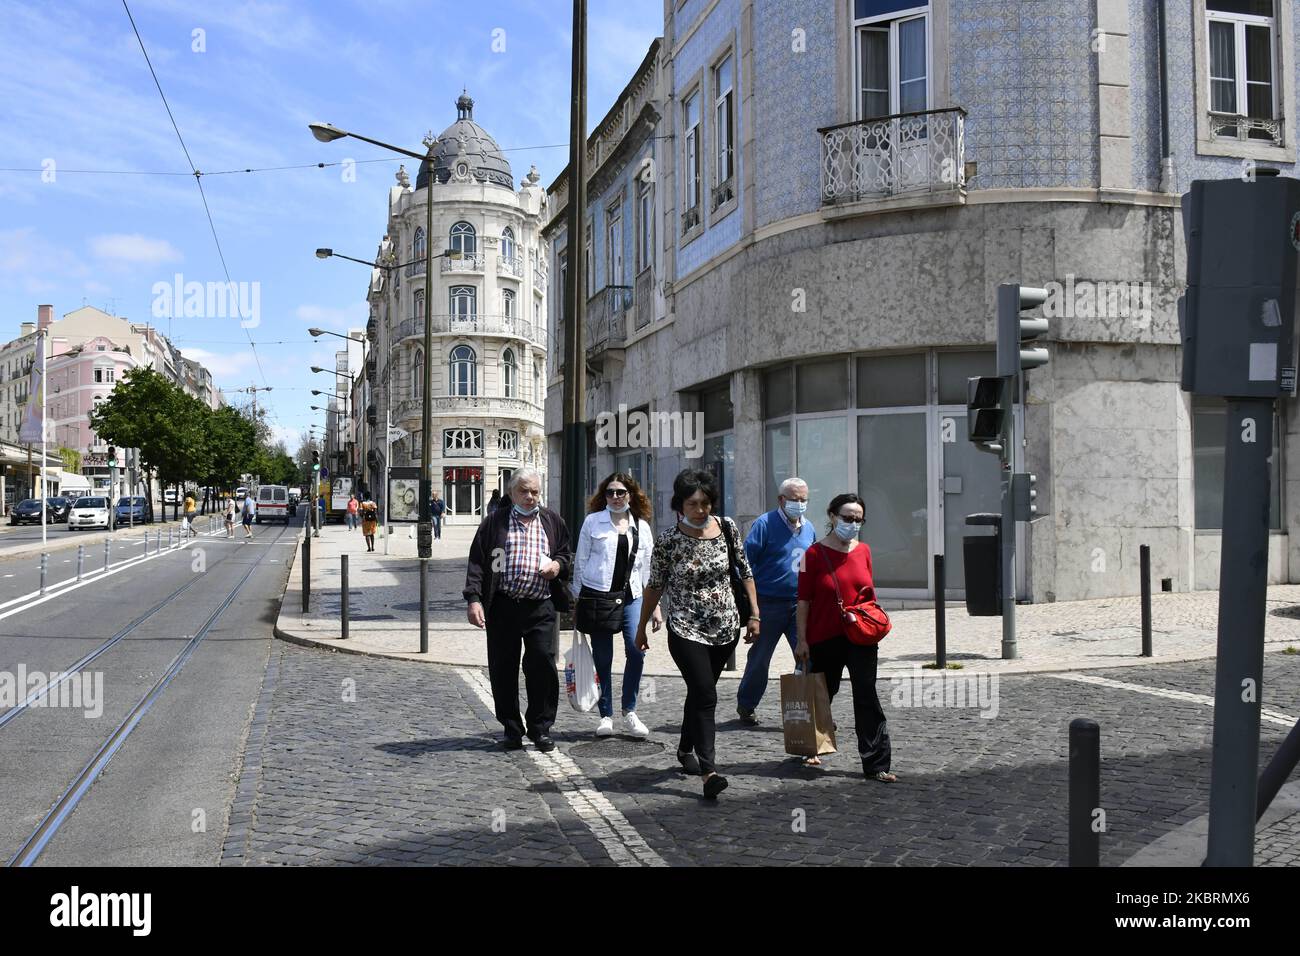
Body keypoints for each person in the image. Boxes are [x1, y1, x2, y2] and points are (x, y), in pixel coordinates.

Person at [636, 469, 758, 800]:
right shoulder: (668, 541)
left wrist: (755, 615)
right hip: (685, 626)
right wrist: (641, 627)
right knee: (705, 694)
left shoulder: (728, 527)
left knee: (700, 691)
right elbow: (654, 587)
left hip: (726, 626)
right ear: (680, 504)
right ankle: (710, 771)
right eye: (693, 503)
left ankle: (685, 746)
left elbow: (744, 571)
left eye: (705, 503)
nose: (700, 509)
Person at [463, 467, 572, 752]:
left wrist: (558, 566)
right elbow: (477, 562)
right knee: (503, 669)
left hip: (540, 606)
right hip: (503, 606)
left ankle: (540, 727)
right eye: (523, 491)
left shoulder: (552, 520)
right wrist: (474, 599)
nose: (530, 496)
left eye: (535, 491)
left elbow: (565, 553)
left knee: (543, 667)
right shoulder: (494, 523)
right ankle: (511, 728)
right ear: (511, 492)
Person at [794, 493, 894, 783]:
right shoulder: (811, 555)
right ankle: (812, 747)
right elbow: (803, 602)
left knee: (866, 695)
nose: (852, 523)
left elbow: (868, 595)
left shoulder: (864, 551)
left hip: (860, 636)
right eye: (847, 517)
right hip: (824, 637)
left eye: (857, 519)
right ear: (832, 516)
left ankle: (876, 764)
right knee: (823, 694)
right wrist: (802, 640)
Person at [571, 473, 662, 739]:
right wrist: (578, 600)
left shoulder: (641, 527)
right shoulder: (592, 522)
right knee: (603, 658)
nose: (615, 497)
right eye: (610, 492)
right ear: (604, 495)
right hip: (598, 596)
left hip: (632, 596)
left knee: (637, 650)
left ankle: (630, 710)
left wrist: (655, 606)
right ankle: (606, 714)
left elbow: (649, 568)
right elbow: (581, 562)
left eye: (620, 492)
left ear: (631, 495)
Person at [736, 478, 816, 725]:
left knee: (806, 657)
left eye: (804, 499)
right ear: (781, 500)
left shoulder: (809, 527)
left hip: (798, 605)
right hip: (768, 603)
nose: (800, 504)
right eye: (795, 499)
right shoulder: (764, 524)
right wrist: (753, 610)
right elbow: (745, 564)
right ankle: (746, 704)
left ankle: (811, 709)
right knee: (760, 658)